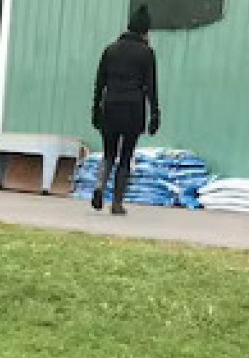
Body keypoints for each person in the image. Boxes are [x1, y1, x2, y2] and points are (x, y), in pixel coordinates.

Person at [90, 4, 160, 215]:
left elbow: (99, 82)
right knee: (126, 156)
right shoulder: (146, 53)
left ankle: (99, 187)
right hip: (133, 107)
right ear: (145, 31)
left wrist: (95, 108)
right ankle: (117, 203)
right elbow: (151, 86)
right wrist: (155, 113)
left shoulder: (110, 50)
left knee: (109, 153)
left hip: (110, 104)